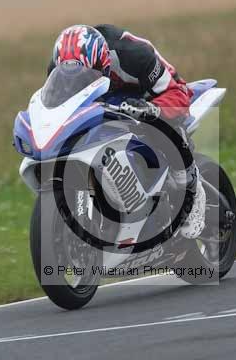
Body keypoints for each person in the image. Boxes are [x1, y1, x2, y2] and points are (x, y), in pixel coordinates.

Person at [47, 24, 206, 239]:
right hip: (105, 98)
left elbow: (177, 95)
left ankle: (192, 190)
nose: (79, 79)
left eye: (88, 74)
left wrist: (152, 109)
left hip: (151, 92)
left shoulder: (133, 54)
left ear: (103, 62)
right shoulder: (58, 68)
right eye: (72, 76)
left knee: (163, 122)